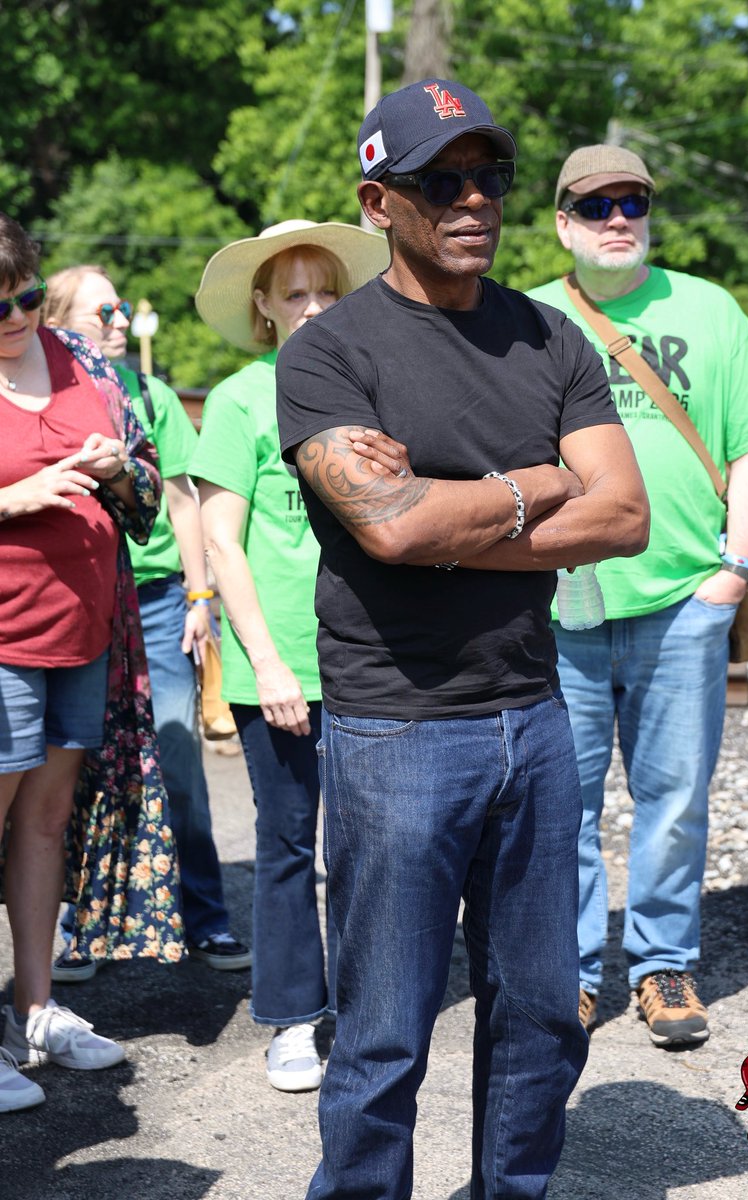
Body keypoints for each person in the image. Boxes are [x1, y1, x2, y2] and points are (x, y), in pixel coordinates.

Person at [276, 81, 650, 1199]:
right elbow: (388, 529)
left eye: (492, 176)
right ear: (378, 200)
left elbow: (624, 515)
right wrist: (541, 487)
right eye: (444, 180)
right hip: (394, 726)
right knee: (385, 1034)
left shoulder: (551, 335)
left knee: (541, 1015)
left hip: (534, 717)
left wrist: (456, 511)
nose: (476, 199)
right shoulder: (329, 354)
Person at [527, 145, 748, 1046]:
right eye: (595, 205)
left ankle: (662, 965)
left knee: (675, 797)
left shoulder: (711, 311)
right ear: (563, 222)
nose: (616, 219)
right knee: (558, 803)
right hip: (558, 605)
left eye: (631, 203)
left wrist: (736, 569)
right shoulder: (524, 317)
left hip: (687, 598)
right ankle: (564, 971)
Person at [191, 219, 389, 1092]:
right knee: (284, 845)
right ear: (265, 307)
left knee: (375, 846)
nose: (314, 307)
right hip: (282, 662)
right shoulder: (239, 398)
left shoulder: (378, 384)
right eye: (295, 292)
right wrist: (265, 663)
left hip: (377, 659)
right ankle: (292, 1020)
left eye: (328, 290)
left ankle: (369, 1005)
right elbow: (223, 543)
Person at [0, 212, 174, 1112]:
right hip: (3, 637)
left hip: (83, 634)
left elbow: (148, 494)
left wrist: (115, 469)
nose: (19, 315)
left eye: (27, 294)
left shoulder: (88, 363)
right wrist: (16, 493)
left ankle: (36, 1007)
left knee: (45, 820)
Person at [43, 265, 250, 978]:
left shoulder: (150, 393)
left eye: (123, 307)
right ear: (62, 320)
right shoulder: (52, 391)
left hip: (159, 600)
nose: (121, 321)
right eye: (105, 311)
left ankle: (207, 918)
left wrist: (200, 598)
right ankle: (84, 928)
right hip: (82, 599)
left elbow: (186, 499)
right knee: (75, 768)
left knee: (178, 758)